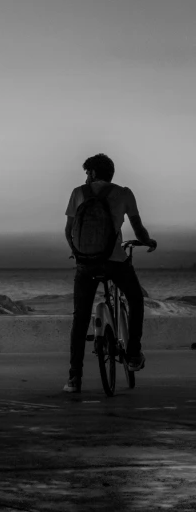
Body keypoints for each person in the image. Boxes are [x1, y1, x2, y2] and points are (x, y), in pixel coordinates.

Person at [63, 153, 157, 393]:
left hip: (86, 264)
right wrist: (148, 241)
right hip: (115, 261)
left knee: (80, 318)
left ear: (93, 173)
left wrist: (79, 253)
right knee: (135, 299)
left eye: (87, 172)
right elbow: (138, 228)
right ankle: (134, 354)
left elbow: (68, 231)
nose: (85, 177)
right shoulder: (124, 193)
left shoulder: (77, 193)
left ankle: (74, 379)